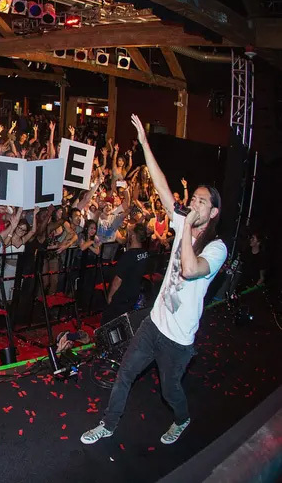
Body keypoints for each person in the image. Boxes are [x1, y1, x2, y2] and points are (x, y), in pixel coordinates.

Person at [82, 114, 226, 446]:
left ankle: (183, 418)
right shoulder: (184, 221)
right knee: (125, 374)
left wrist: (186, 228)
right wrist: (145, 144)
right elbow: (161, 187)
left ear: (213, 213)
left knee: (169, 389)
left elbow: (190, 270)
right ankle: (107, 424)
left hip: (179, 339)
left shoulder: (217, 248)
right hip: (154, 324)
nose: (194, 204)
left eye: (201, 202)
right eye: (194, 199)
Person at [101, 224, 150, 324]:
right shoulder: (145, 253)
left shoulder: (128, 256)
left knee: (109, 322)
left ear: (133, 236)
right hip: (134, 292)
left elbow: (117, 280)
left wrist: (110, 296)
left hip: (122, 295)